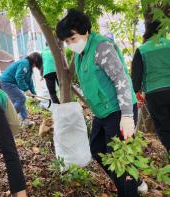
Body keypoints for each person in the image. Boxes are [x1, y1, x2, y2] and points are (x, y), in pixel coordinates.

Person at [56, 9, 147, 196]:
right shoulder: (81, 54)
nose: (70, 44)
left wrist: (127, 115)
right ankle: (133, 181)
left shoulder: (101, 47)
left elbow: (121, 79)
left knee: (118, 158)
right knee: (97, 149)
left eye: (72, 39)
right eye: (66, 41)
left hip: (119, 110)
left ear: (85, 31)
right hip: (103, 113)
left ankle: (129, 190)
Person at [131, 20, 170, 153]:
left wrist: (137, 92)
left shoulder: (142, 49)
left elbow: (136, 77)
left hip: (155, 93)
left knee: (163, 127)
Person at [0, 52, 43, 126]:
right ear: (35, 60)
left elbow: (29, 82)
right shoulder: (24, 63)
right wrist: (26, 89)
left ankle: (25, 120)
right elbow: (19, 77)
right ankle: (6, 119)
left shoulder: (29, 67)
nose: (36, 66)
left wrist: (34, 95)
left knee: (20, 100)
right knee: (21, 98)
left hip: (8, 83)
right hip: (6, 83)